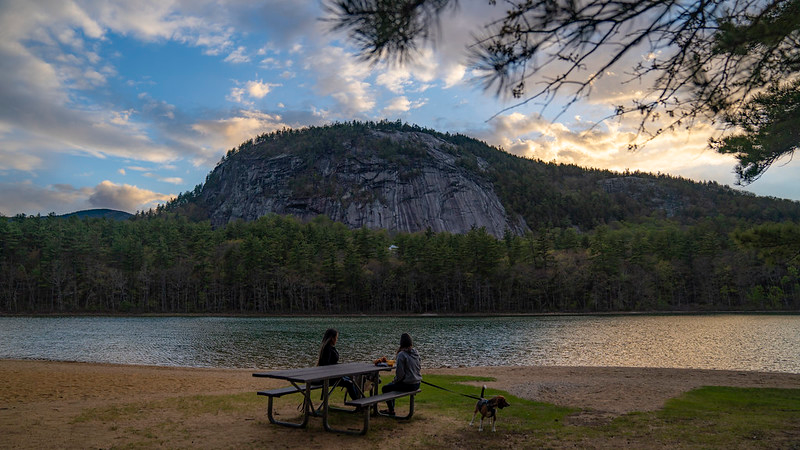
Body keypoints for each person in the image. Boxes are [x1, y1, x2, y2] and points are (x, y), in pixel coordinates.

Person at [380, 332, 422, 416]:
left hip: (408, 385)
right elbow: (418, 367)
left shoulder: (401, 355)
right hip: (417, 383)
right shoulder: (416, 353)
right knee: (392, 386)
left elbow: (400, 374)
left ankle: (391, 410)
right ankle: (391, 409)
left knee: (385, 388)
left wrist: (395, 380)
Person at [317, 328, 360, 400]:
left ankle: (360, 400)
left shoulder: (330, 348)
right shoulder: (327, 349)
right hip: (330, 377)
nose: (337, 339)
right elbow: (326, 365)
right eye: (336, 337)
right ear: (332, 338)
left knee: (352, 379)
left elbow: (332, 363)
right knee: (349, 383)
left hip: (332, 375)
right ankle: (358, 402)